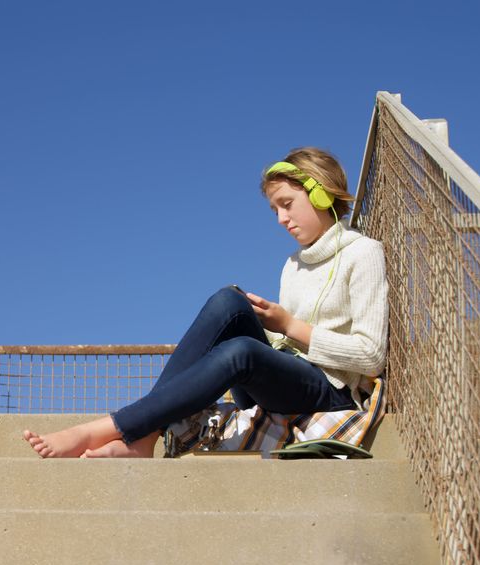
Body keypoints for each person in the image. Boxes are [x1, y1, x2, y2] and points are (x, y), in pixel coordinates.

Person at [23, 147, 388, 458]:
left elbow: (371, 355)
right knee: (228, 299)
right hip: (281, 383)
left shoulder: (363, 253)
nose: (281, 219)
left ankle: (111, 427)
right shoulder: (293, 265)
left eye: (287, 205)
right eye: (275, 210)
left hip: (329, 392)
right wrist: (273, 328)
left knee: (242, 349)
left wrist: (291, 326)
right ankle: (146, 435)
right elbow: (284, 345)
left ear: (321, 193)